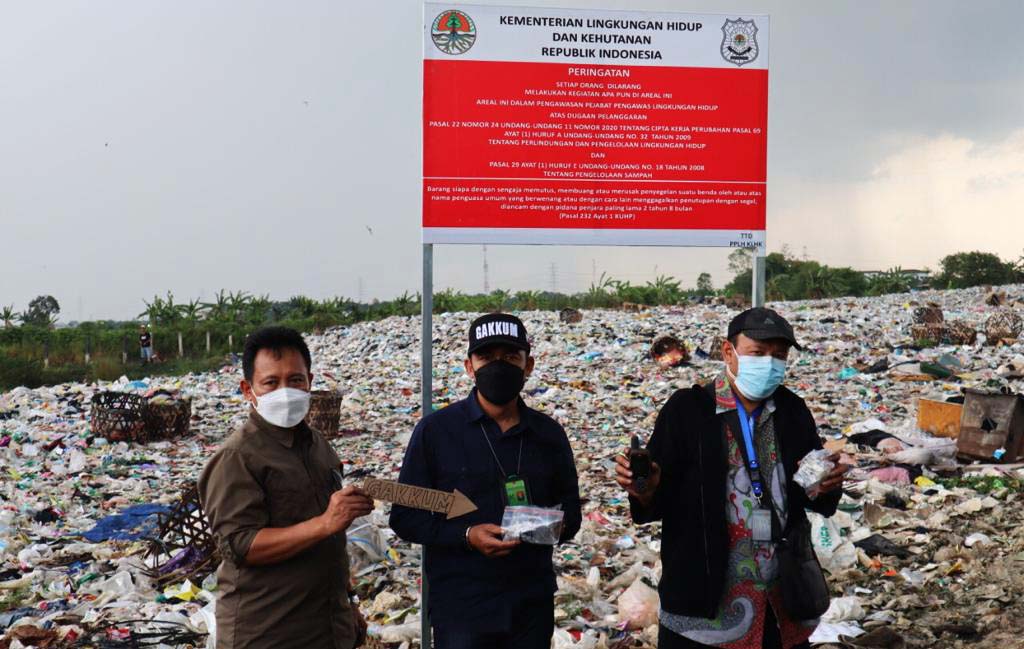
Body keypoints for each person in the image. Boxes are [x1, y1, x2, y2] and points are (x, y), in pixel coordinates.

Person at [615, 307, 848, 649]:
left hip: (779, 602)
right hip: (702, 609)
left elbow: (806, 494)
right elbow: (655, 497)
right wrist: (644, 489)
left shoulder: (792, 412)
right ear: (729, 352)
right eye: (758, 353)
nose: (769, 363)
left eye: (779, 356)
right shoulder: (688, 411)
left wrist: (827, 486)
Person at [390, 313, 582, 649]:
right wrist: (467, 535)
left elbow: (572, 516)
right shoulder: (436, 432)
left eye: (510, 357)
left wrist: (541, 527)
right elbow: (406, 516)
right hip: (463, 606)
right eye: (486, 357)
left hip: (531, 604)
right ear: (469, 366)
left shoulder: (548, 434)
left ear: (529, 365)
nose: (498, 366)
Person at [198, 326, 372, 649]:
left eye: (295, 380)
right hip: (268, 632)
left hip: (328, 628)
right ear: (248, 390)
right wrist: (324, 523)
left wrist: (349, 603)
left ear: (310, 382)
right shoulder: (238, 457)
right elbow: (239, 545)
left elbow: (331, 541)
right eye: (271, 382)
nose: (285, 391)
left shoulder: (319, 446)